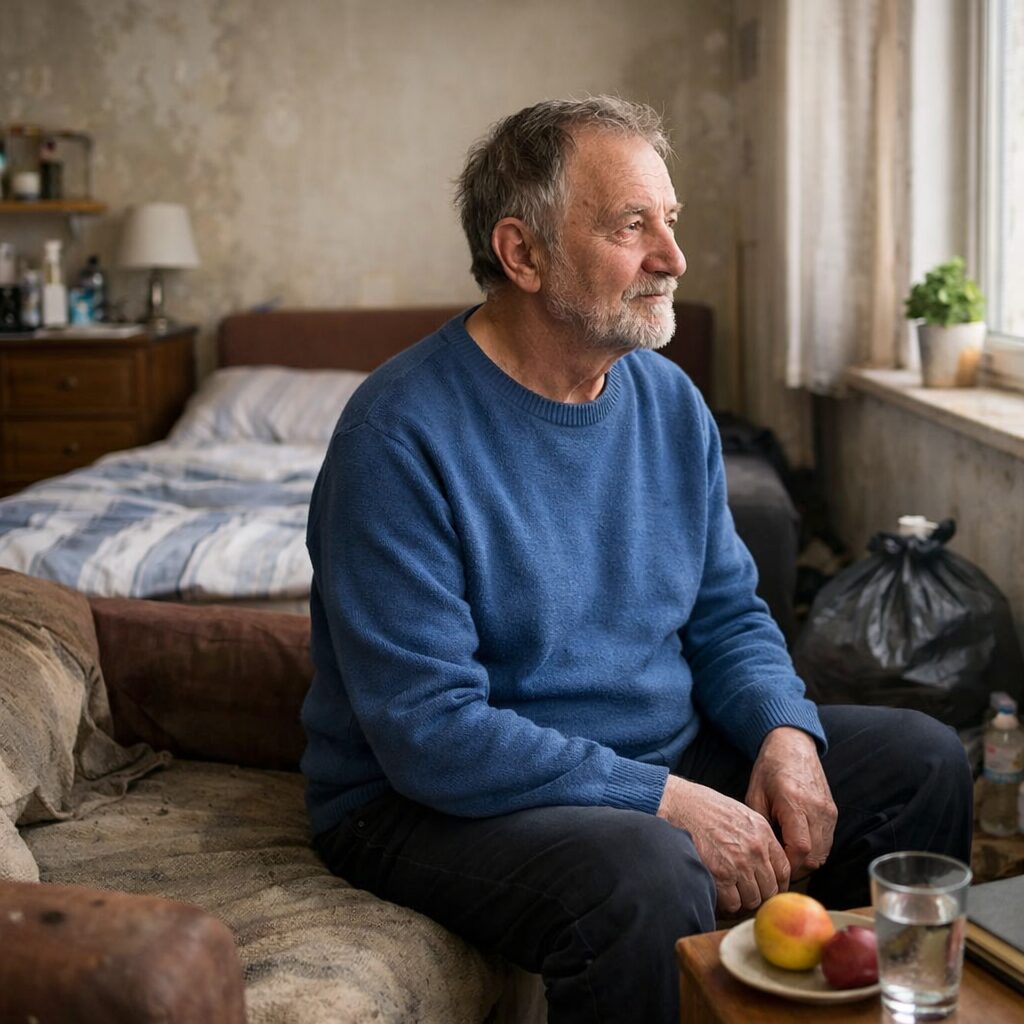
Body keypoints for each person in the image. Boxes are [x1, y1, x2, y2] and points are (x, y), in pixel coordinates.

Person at [301, 96, 973, 1023]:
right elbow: (430, 731)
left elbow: (727, 614)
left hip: (651, 751)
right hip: (425, 800)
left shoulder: (667, 400)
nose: (673, 257)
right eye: (631, 226)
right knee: (643, 873)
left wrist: (784, 730)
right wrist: (663, 800)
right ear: (522, 253)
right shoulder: (396, 436)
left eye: (671, 221)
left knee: (924, 759)